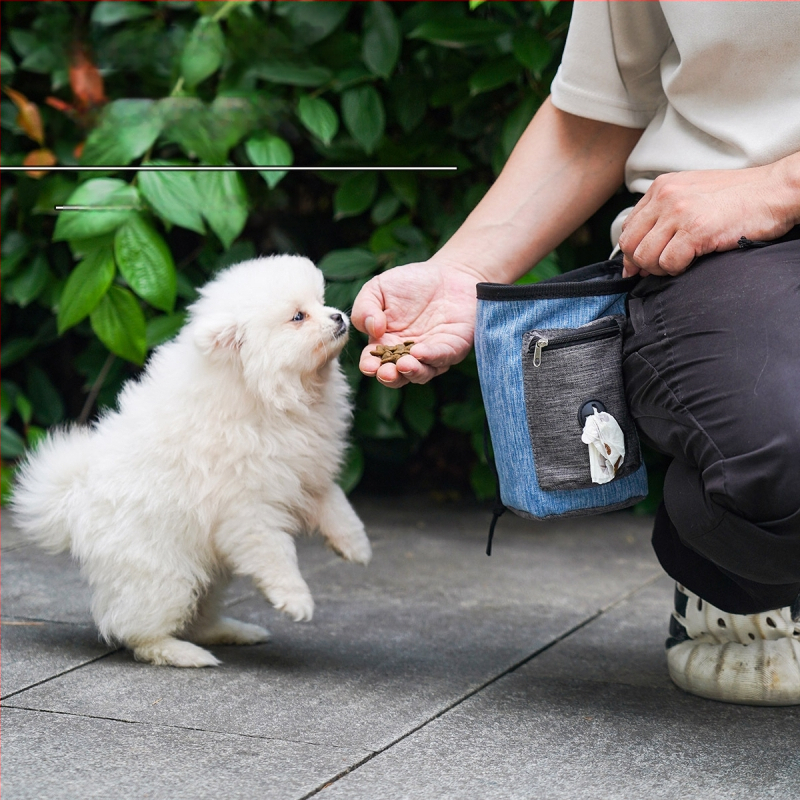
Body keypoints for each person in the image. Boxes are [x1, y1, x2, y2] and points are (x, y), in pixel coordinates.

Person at [352, 1, 800, 706]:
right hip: (737, 255)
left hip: (764, 199)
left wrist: (783, 184)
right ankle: (747, 585)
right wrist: (466, 268)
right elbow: (603, 107)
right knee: (778, 457)